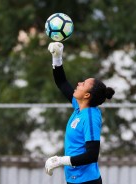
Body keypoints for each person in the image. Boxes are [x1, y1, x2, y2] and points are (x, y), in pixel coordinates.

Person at [45, 42, 115, 184]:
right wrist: (57, 57)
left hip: (87, 181)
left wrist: (60, 161)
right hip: (75, 180)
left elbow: (92, 155)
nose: (78, 83)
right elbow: (62, 82)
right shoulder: (79, 106)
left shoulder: (90, 117)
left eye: (83, 84)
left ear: (87, 95)